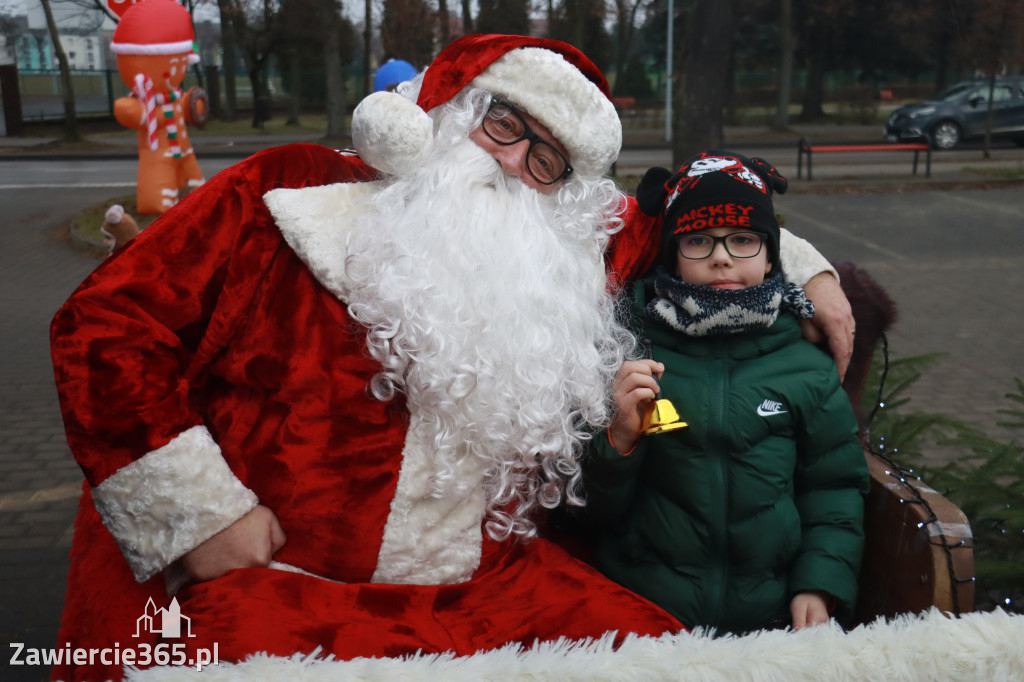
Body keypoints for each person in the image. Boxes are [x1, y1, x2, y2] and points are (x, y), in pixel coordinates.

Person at [49, 35, 853, 680]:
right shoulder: (290, 195)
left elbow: (698, 221)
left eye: (547, 159)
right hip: (288, 585)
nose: (512, 164)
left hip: (492, 595)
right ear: (439, 114)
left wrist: (801, 261)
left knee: (673, 661)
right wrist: (202, 517)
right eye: (503, 124)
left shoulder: (569, 250)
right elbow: (108, 326)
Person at [579, 151, 869, 636]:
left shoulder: (805, 367)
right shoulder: (629, 352)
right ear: (672, 253)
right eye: (697, 241)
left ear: (773, 254)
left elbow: (833, 489)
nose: (721, 256)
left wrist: (818, 584)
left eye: (742, 240)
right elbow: (591, 513)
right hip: (646, 614)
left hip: (769, 618)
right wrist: (620, 440)